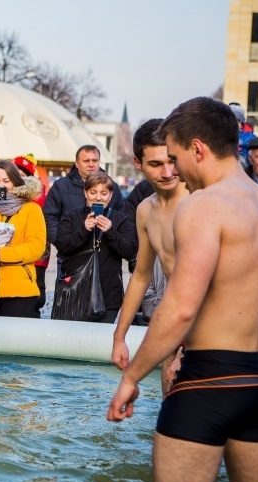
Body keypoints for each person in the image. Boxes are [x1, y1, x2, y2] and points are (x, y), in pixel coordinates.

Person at [108, 97, 258, 482]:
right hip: (257, 376)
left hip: (210, 378)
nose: (174, 171)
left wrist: (132, 376)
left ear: (198, 149)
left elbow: (179, 308)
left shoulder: (203, 205)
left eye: (175, 157)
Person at [110, 119, 189, 394]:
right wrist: (119, 337)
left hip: (219, 333)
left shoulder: (201, 199)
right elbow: (141, 275)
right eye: (156, 164)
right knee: (170, 409)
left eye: (172, 161)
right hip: (174, 329)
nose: (168, 172)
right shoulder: (145, 210)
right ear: (137, 162)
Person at [54, 172, 137, 324]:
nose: (98, 197)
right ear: (85, 193)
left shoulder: (120, 219)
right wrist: (83, 230)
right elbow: (62, 246)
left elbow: (130, 251)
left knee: (100, 341)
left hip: (108, 295)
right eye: (93, 192)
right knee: (74, 340)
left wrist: (111, 231)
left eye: (104, 193)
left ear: (110, 196)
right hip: (75, 291)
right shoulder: (71, 216)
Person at [0, 160, 46, 318]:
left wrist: (2, 254)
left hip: (21, 293)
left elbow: (36, 247)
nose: (2, 186)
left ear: (16, 181)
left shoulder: (31, 209)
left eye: (7, 181)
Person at [13, 153, 49, 317]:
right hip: (13, 253)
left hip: (36, 257)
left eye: (22, 175)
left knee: (35, 296)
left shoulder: (37, 197)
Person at [228, 102, 256, 168]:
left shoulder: (249, 138)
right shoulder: (220, 137)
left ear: (241, 124)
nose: (232, 123)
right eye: (229, 120)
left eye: (236, 121)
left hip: (244, 170)